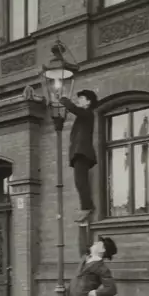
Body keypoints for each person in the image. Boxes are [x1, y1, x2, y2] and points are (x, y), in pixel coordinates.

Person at [60, 89, 98, 223]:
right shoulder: (83, 116)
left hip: (82, 152)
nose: (79, 100)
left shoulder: (87, 114)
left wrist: (63, 99)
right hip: (79, 152)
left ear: (88, 102)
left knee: (81, 181)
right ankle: (86, 206)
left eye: (82, 98)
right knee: (79, 181)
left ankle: (87, 207)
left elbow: (74, 108)